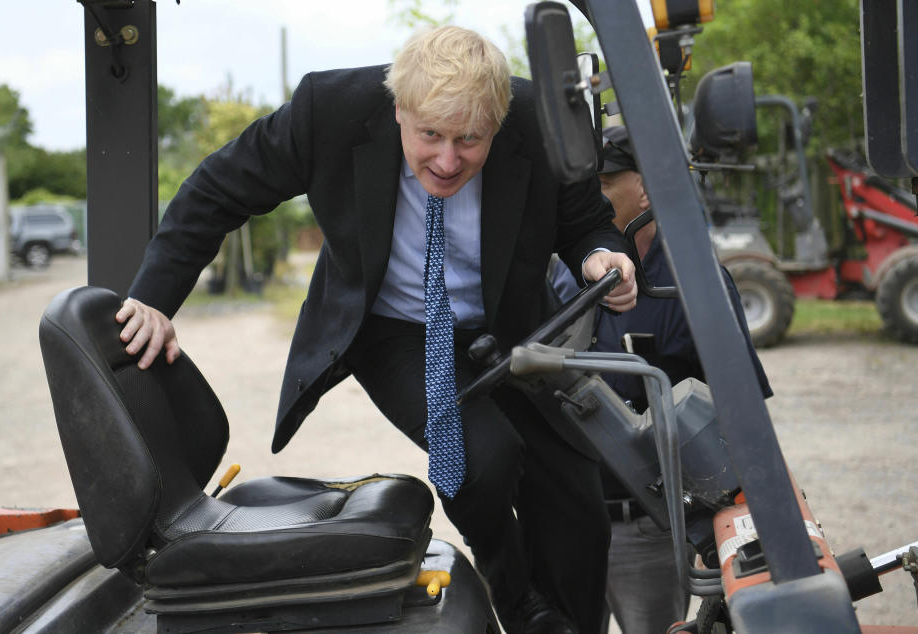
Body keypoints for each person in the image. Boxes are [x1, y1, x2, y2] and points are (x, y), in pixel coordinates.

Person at [115, 26, 637, 634]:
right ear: (398, 110)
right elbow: (217, 190)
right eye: (431, 136)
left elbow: (587, 225)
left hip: (513, 326)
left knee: (577, 503)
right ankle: (515, 593)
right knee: (483, 456)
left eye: (470, 140)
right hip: (398, 330)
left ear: (500, 121)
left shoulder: (543, 124)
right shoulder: (327, 111)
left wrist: (603, 257)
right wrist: (152, 299)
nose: (447, 161)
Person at [551, 125, 771, 634]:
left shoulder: (695, 281)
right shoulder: (559, 270)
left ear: (646, 187)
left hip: (646, 525)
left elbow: (741, 416)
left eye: (603, 184)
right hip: (562, 516)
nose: (589, 199)